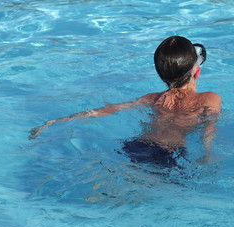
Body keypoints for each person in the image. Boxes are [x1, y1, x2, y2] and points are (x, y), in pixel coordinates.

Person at [29, 36, 222, 167]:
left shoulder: (152, 98)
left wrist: (54, 121)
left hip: (136, 146)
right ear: (196, 70)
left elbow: (108, 109)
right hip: (170, 154)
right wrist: (207, 154)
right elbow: (209, 128)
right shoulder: (209, 98)